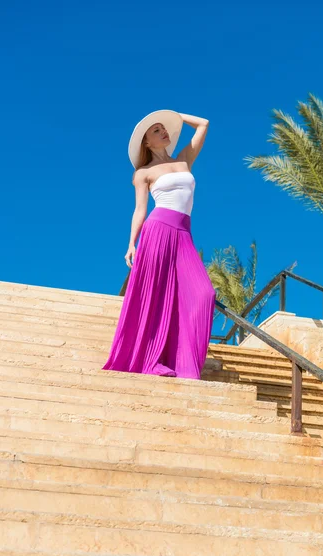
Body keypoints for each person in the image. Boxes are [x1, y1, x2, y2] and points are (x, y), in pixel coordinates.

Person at [101, 109, 216, 380]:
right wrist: (131, 243)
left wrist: (176, 114)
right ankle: (153, 358)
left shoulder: (184, 160)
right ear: (147, 143)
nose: (163, 132)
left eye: (164, 128)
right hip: (158, 230)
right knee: (155, 295)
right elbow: (140, 209)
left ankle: (184, 362)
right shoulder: (143, 173)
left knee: (204, 294)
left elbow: (204, 124)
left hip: (184, 234)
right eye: (156, 130)